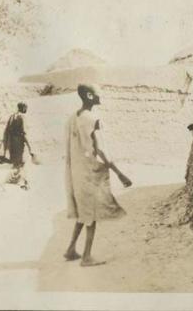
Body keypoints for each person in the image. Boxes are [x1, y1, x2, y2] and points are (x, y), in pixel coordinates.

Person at [64, 84, 132, 267]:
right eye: (96, 93)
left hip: (77, 173)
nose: (99, 95)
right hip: (90, 173)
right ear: (89, 95)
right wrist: (120, 174)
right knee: (91, 214)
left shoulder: (72, 118)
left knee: (83, 212)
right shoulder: (94, 119)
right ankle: (86, 257)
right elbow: (101, 150)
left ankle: (70, 249)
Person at [0, 102, 33, 190]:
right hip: (20, 144)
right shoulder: (22, 117)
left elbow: (7, 131)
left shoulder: (12, 117)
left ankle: (24, 182)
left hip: (13, 144)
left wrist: (7, 145)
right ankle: (5, 182)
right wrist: (30, 148)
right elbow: (24, 133)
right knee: (21, 164)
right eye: (26, 108)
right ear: (23, 108)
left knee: (17, 164)